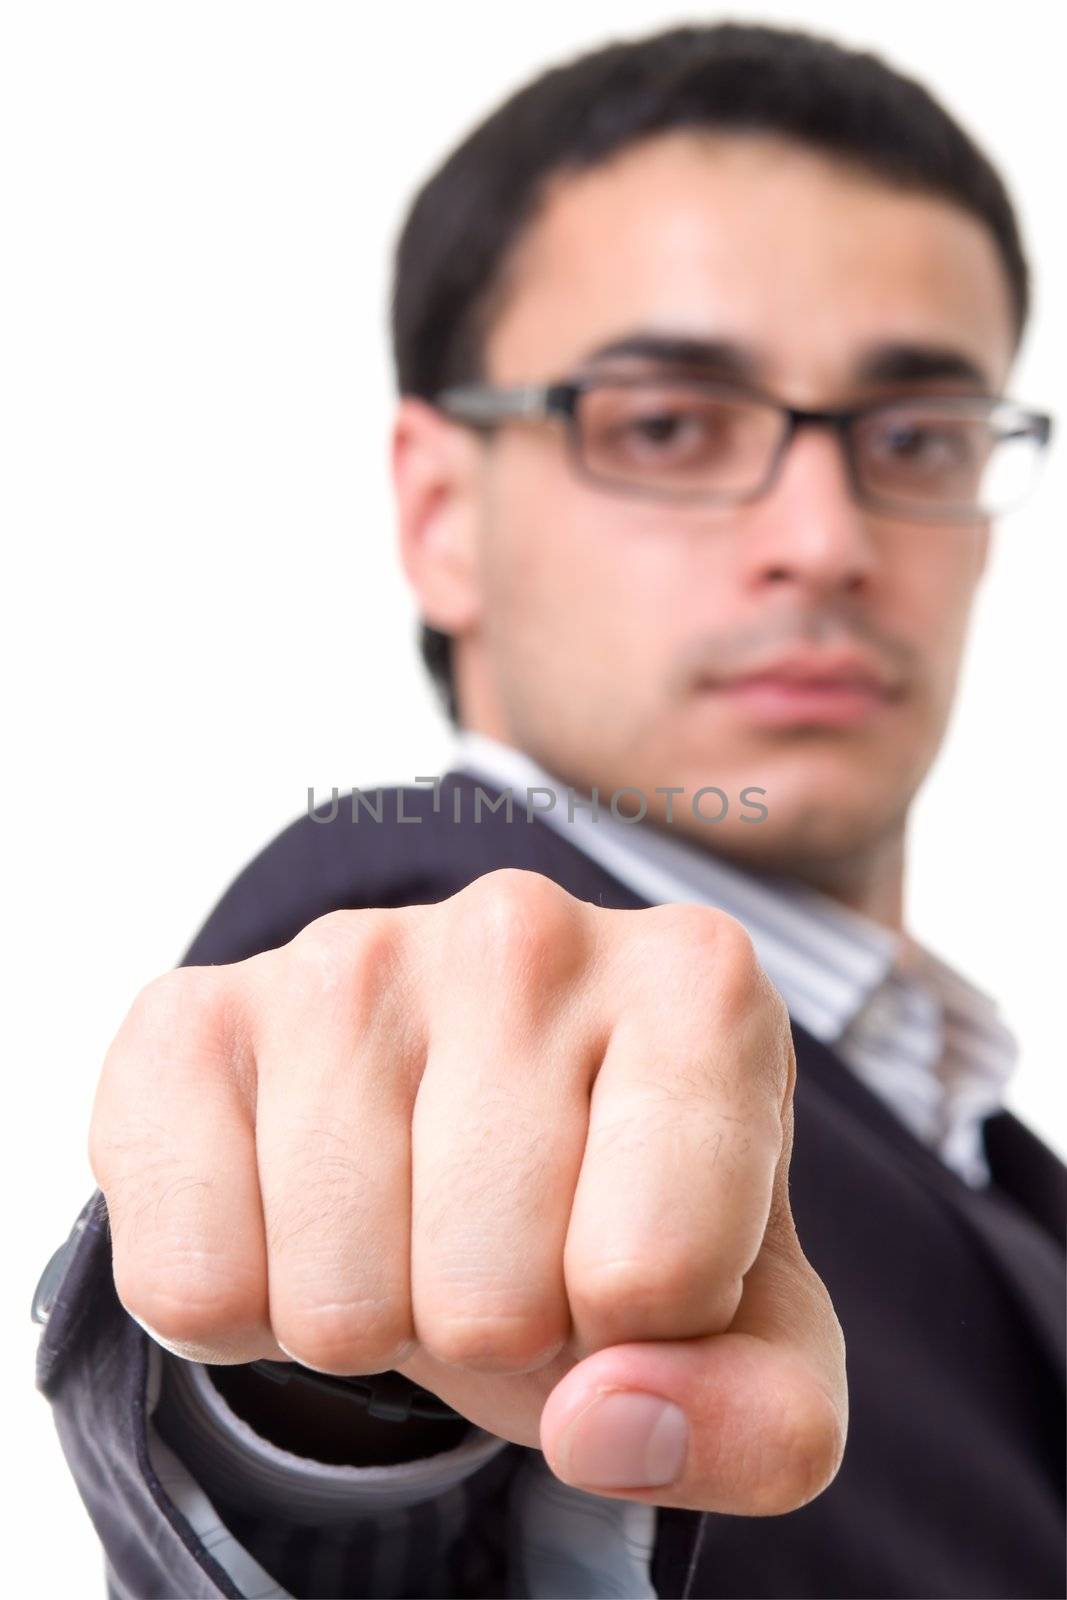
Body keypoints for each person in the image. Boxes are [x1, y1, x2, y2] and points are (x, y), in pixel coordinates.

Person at [32, 20, 1064, 1600]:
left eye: (914, 437)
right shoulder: (411, 926)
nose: (824, 536)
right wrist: (337, 1393)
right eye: (666, 425)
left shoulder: (971, 1125)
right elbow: (345, 1478)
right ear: (441, 516)